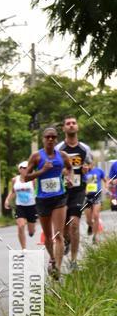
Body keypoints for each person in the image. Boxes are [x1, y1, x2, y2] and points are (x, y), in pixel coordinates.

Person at [24, 127, 72, 278]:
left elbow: (69, 168)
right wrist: (42, 171)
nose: (50, 139)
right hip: (43, 199)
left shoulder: (62, 156)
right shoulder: (37, 156)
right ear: (43, 139)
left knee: (59, 234)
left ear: (56, 139)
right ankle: (52, 257)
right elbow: (25, 177)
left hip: (59, 197)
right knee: (48, 235)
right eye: (47, 137)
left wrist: (68, 178)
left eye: (53, 137)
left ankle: (57, 267)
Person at [57, 116, 93, 270]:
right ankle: (66, 241)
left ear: (77, 127)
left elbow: (90, 163)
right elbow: (54, 166)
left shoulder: (84, 148)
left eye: (73, 123)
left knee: (74, 224)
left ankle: (73, 261)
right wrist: (63, 173)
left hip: (78, 189)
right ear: (64, 128)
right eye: (68, 124)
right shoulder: (59, 149)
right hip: (62, 190)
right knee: (64, 228)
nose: (71, 126)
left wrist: (87, 168)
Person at [4, 161, 37, 248]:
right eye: (24, 168)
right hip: (20, 206)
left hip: (32, 206)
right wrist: (7, 200)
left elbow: (37, 191)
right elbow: (12, 192)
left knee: (31, 232)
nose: (26, 170)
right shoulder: (15, 180)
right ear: (20, 169)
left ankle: (32, 230)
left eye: (27, 168)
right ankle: (23, 248)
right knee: (21, 225)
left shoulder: (33, 180)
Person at [83, 163, 106, 244]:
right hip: (87, 197)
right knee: (88, 220)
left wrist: (106, 186)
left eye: (88, 164)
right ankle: (90, 226)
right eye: (85, 164)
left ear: (92, 163)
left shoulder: (98, 171)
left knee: (96, 215)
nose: (87, 166)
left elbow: (104, 179)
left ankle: (95, 237)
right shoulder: (82, 172)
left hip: (97, 195)